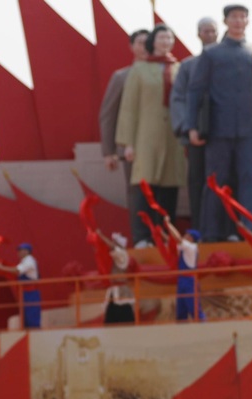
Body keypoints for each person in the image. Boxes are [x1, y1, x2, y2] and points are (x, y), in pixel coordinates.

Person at [187, 4, 252, 243]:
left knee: (250, 179)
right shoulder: (212, 53)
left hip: (250, 130)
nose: (238, 21)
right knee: (216, 181)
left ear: (247, 21)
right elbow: (196, 91)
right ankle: (211, 233)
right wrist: (192, 126)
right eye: (233, 17)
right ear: (225, 21)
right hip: (217, 128)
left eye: (242, 17)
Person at [116, 26, 185, 249]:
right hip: (145, 135)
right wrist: (127, 143)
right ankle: (142, 236)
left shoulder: (179, 69)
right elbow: (128, 107)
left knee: (169, 187)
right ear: (153, 42)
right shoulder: (140, 70)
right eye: (161, 37)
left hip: (172, 137)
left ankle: (166, 233)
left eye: (169, 38)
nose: (165, 41)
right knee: (144, 186)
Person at [100, 29, 151, 242]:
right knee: (137, 194)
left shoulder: (166, 72)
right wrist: (109, 151)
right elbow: (108, 114)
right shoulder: (121, 76)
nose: (144, 46)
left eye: (148, 42)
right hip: (131, 149)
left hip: (159, 145)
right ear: (131, 47)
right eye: (139, 43)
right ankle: (141, 239)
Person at [169, 18, 219, 232]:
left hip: (224, 134)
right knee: (197, 180)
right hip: (196, 133)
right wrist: (187, 128)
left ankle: (224, 229)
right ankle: (199, 227)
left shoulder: (227, 62)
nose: (209, 35)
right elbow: (178, 98)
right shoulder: (188, 66)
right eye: (205, 31)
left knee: (223, 181)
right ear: (198, 34)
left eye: (212, 31)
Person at [0, 243, 41, 329]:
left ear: (27, 251)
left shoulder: (29, 260)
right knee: (26, 318)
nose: (19, 252)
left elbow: (17, 271)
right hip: (25, 293)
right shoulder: (24, 261)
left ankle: (35, 335)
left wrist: (1, 268)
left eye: (21, 250)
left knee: (32, 317)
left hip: (31, 293)